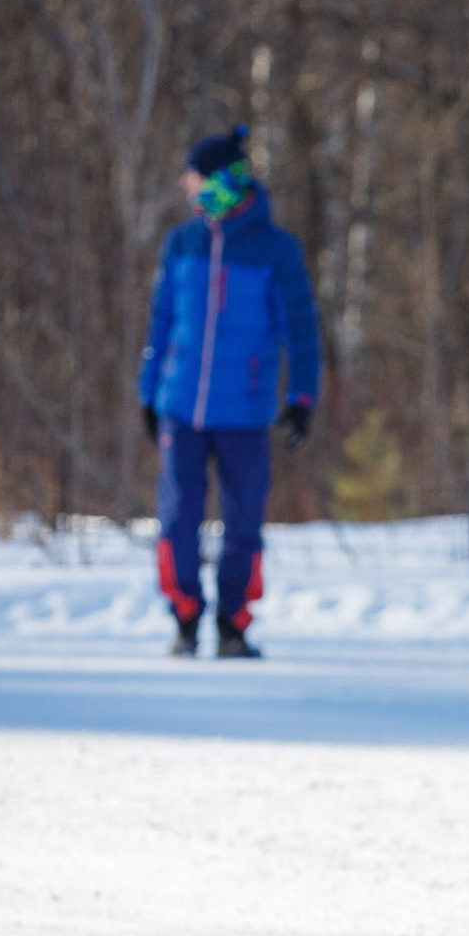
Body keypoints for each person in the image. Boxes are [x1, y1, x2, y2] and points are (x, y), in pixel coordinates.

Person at [138, 126, 321, 660]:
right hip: (180, 409)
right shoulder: (182, 242)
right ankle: (186, 618)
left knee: (243, 522)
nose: (186, 185)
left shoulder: (276, 250)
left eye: (194, 176)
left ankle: (233, 624)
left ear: (220, 180)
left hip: (244, 410)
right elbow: (160, 323)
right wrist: (147, 393)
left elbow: (302, 331)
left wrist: (301, 399)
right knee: (177, 520)